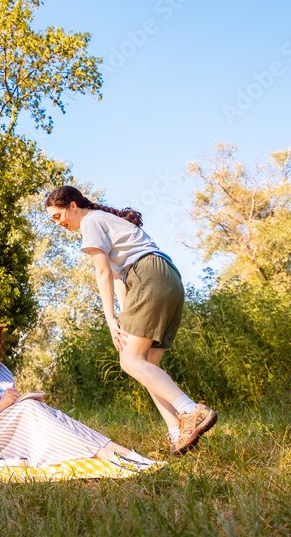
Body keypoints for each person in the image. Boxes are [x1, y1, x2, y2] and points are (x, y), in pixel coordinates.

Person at [44, 185, 217, 455]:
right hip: (166, 277)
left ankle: (191, 411)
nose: (58, 223)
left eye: (57, 216)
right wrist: (125, 320)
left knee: (130, 361)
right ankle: (179, 433)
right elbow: (118, 279)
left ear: (73, 206)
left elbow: (101, 272)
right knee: (146, 365)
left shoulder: (90, 220)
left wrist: (110, 319)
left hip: (149, 275)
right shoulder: (105, 222)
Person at [0, 310, 156, 469]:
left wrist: (22, 403)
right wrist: (5, 405)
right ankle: (103, 455)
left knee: (49, 412)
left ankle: (120, 450)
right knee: (27, 410)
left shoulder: (0, 370)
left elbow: (7, 414)